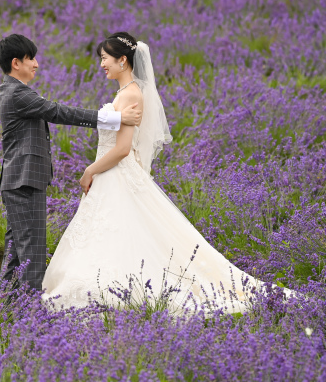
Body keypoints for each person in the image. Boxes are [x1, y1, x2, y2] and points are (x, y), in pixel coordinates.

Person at [41, 32, 290, 313]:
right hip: (113, 175)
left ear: (123, 60)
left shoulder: (131, 94)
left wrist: (89, 170)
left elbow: (123, 149)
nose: (102, 65)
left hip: (115, 172)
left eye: (105, 59)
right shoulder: (124, 93)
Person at [0, 34, 143, 294]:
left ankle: (7, 308)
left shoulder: (14, 91)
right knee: (32, 251)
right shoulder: (17, 94)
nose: (37, 64)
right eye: (31, 59)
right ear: (16, 63)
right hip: (23, 180)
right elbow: (58, 111)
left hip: (20, 180)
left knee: (18, 252)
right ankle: (29, 312)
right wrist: (115, 119)